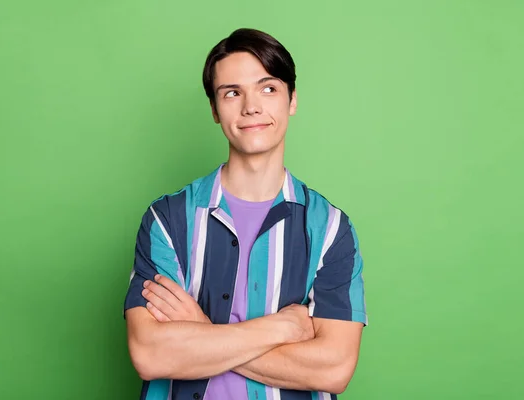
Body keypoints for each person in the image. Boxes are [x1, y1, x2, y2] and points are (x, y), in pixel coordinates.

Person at [123, 28, 368, 400]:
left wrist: (201, 332)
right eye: (232, 92)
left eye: (268, 88)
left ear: (292, 100)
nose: (251, 106)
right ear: (214, 110)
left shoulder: (330, 228)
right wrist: (280, 328)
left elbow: (334, 369)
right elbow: (151, 354)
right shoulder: (167, 220)